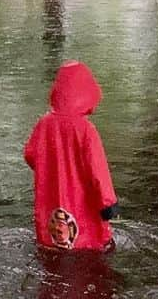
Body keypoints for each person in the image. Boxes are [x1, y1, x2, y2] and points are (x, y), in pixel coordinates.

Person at [24, 60, 118, 251]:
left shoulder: (44, 124)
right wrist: (109, 205)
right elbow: (98, 172)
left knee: (53, 245)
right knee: (91, 249)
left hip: (49, 204)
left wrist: (50, 169)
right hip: (82, 210)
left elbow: (30, 155)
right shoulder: (86, 130)